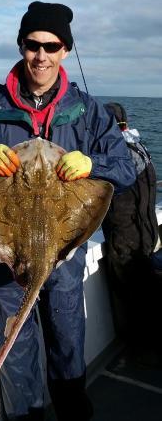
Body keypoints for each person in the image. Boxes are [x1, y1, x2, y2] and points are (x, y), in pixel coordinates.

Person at [0, 2, 136, 421]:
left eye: (52, 45)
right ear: (21, 45)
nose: (41, 55)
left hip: (64, 257)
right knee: (17, 354)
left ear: (65, 50)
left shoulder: (89, 112)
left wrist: (93, 164)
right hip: (7, 260)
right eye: (32, 45)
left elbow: (125, 167)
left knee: (67, 344)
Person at [102, 102, 160, 360]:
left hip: (125, 238)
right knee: (147, 290)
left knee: (132, 295)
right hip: (149, 232)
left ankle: (142, 351)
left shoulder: (116, 156)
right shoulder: (140, 147)